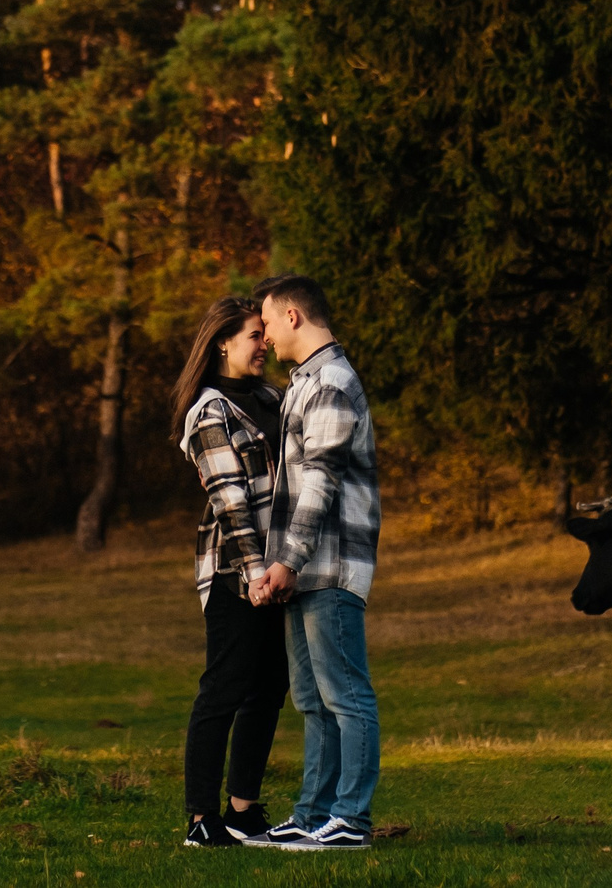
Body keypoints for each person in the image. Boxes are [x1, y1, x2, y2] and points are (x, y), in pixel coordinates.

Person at [248, 273, 381, 851]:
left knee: (345, 695)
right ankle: (312, 814)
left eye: (267, 323)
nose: (265, 336)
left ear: (293, 316)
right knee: (312, 699)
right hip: (304, 570)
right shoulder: (304, 382)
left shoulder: (331, 382)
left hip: (330, 566)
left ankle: (350, 819)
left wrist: (290, 559)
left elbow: (322, 483)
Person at [171, 294, 288, 848]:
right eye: (253, 336)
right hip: (233, 570)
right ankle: (201, 819)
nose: (265, 344)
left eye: (265, 334)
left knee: (269, 686)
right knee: (224, 687)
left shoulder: (271, 398)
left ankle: (243, 809)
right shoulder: (209, 411)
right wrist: (254, 571)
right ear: (222, 342)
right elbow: (230, 500)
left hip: (278, 569)